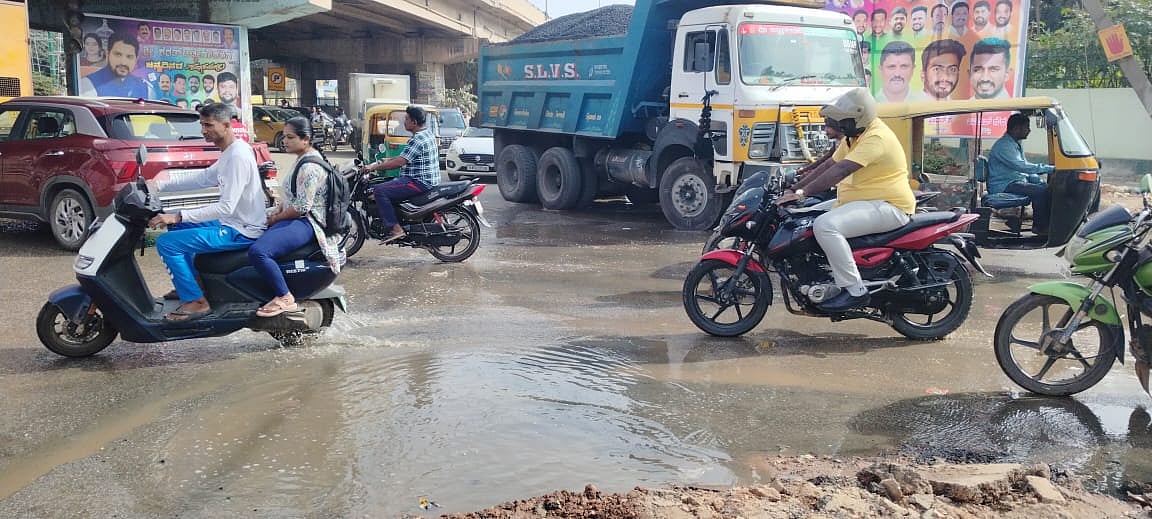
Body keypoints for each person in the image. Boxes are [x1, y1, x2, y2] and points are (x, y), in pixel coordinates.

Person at [775, 88, 915, 311]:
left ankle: (854, 290)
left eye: (845, 121)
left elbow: (841, 170)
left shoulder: (876, 137)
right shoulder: (854, 137)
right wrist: (794, 189)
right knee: (805, 216)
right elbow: (829, 164)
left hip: (889, 206)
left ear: (859, 118)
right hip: (863, 201)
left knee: (825, 226)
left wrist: (802, 193)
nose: (841, 126)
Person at [147, 102, 268, 321]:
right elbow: (204, 178)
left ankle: (196, 301)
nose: (204, 130)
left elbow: (225, 207)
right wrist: (160, 183)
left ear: (226, 124)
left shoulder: (238, 156)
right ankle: (194, 286)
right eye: (202, 125)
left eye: (209, 125)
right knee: (176, 226)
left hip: (241, 230)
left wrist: (177, 214)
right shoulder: (230, 151)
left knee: (167, 243)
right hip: (231, 222)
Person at [248, 117, 343, 317]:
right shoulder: (302, 159)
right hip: (297, 218)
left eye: (290, 137)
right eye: (284, 136)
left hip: (308, 222)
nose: (285, 141)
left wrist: (275, 218)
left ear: (305, 138)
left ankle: (284, 297)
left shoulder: (310, 167)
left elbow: (302, 207)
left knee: (259, 252)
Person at [359, 105, 440, 243]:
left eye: (407, 119)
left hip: (418, 182)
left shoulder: (417, 139)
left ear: (414, 122)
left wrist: (373, 168)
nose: (404, 122)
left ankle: (396, 229)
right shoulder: (427, 134)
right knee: (385, 184)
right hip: (426, 180)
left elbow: (400, 162)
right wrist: (387, 160)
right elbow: (406, 157)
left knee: (379, 191)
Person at [987, 113, 1055, 233]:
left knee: (1044, 188)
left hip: (1013, 181)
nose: (1029, 130)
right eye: (1027, 127)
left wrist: (1038, 180)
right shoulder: (1005, 146)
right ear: (1017, 128)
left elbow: (1023, 168)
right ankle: (1039, 227)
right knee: (1040, 192)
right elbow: (1022, 166)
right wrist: (1050, 169)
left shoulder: (1014, 144)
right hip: (1004, 186)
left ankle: (1043, 224)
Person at [78, 32, 149, 98]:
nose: (123, 62)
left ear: (136, 59)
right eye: (118, 55)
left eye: (129, 57)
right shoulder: (88, 84)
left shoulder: (142, 85)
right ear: (107, 54)